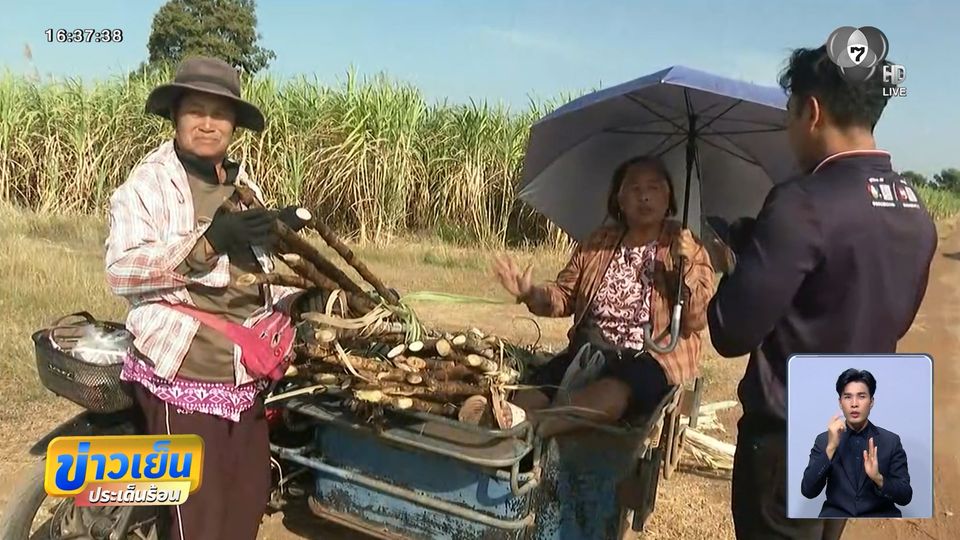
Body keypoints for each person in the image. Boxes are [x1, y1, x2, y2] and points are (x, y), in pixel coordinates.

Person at [706, 45, 937, 539]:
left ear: (811, 111)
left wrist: (729, 266)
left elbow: (730, 332)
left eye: (789, 113)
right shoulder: (915, 210)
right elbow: (879, 311)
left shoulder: (802, 201)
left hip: (792, 440)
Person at [105, 55, 319, 540]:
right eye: (195, 111)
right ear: (175, 116)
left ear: (234, 126)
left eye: (220, 114)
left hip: (245, 374)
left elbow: (259, 277)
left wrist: (298, 293)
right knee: (198, 519)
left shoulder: (242, 185)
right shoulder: (149, 184)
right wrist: (208, 242)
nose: (207, 124)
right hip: (184, 368)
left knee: (246, 503)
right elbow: (122, 271)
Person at [492, 155, 716, 437]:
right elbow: (563, 296)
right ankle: (514, 425)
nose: (644, 196)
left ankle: (535, 428)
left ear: (669, 196)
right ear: (619, 199)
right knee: (531, 394)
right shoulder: (599, 242)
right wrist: (529, 293)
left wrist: (689, 265)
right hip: (589, 350)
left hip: (649, 359)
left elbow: (696, 320)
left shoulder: (687, 247)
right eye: (634, 188)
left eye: (654, 187)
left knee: (613, 392)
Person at [800, 369, 912, 518]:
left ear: (871, 402)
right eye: (847, 397)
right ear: (840, 402)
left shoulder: (891, 441)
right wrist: (831, 448)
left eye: (861, 396)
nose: (854, 404)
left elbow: (905, 496)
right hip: (837, 518)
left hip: (879, 519)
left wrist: (878, 478)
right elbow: (808, 491)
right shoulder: (823, 440)